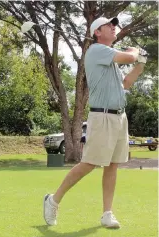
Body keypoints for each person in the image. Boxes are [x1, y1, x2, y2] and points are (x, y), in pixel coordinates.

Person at [43, 17, 147, 228]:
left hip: (120, 117)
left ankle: (107, 213)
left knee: (113, 165)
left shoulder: (109, 59)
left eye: (113, 24)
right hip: (102, 116)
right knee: (90, 163)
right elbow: (128, 57)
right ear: (97, 32)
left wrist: (141, 64)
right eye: (109, 25)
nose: (113, 26)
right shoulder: (97, 50)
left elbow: (126, 83)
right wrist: (135, 51)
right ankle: (53, 200)